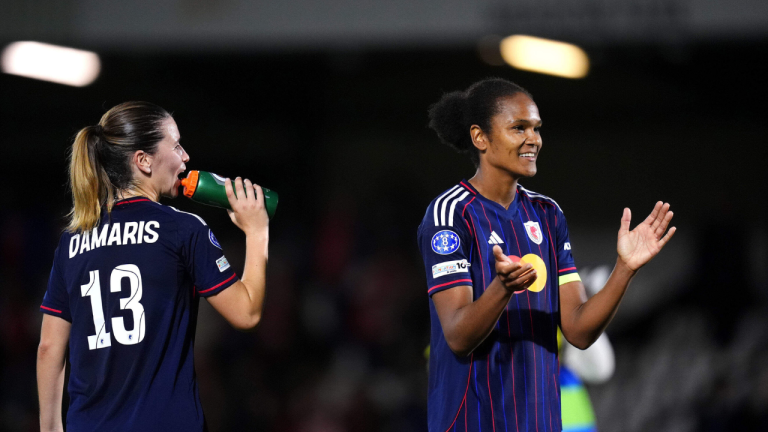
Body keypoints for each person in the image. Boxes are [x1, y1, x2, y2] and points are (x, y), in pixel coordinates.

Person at [418, 78, 675, 432]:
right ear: (480, 138)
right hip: (473, 422)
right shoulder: (450, 215)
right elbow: (458, 337)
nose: (533, 139)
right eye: (518, 128)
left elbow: (580, 331)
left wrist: (624, 269)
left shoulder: (548, 213)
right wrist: (501, 288)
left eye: (537, 128)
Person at [36, 101, 270, 432]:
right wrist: (257, 232)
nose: (186, 156)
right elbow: (246, 314)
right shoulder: (183, 230)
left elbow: (49, 347)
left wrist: (49, 427)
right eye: (175, 145)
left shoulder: (72, 242)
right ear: (143, 160)